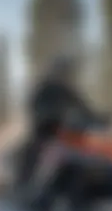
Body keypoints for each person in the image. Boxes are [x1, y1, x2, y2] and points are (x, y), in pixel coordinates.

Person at [17, 54, 95, 188]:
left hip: (66, 133)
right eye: (62, 70)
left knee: (87, 151)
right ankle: (25, 185)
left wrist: (97, 118)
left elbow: (83, 107)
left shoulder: (68, 92)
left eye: (66, 71)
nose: (64, 74)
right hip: (45, 131)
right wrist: (44, 115)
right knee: (32, 150)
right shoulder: (44, 89)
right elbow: (34, 105)